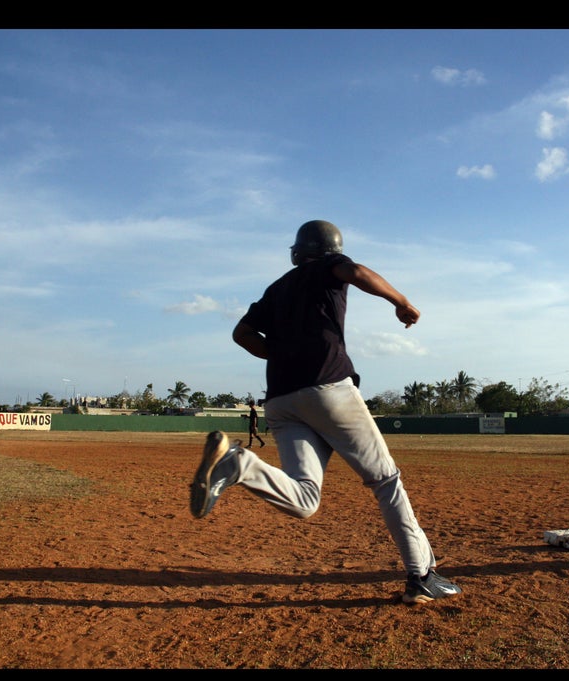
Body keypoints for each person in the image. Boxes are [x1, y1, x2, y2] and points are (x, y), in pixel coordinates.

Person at [189, 220, 461, 604]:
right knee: (386, 482)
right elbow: (357, 272)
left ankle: (241, 465)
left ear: (298, 251)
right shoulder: (326, 267)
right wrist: (402, 302)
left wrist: (282, 354)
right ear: (330, 250)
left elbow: (242, 334)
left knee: (305, 499)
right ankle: (421, 575)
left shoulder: (277, 288)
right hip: (328, 390)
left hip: (282, 400)